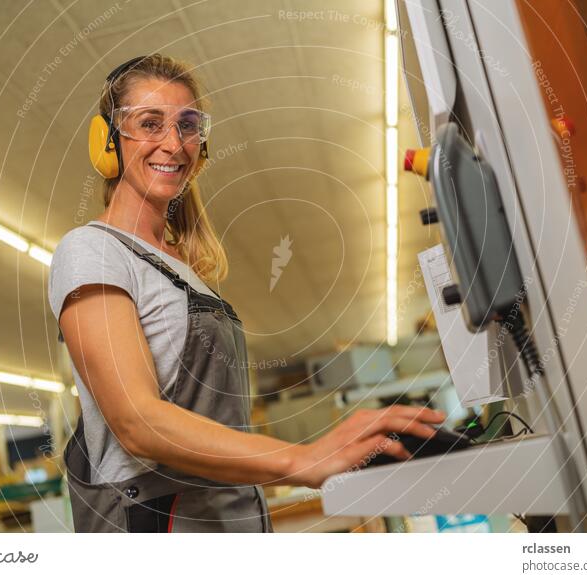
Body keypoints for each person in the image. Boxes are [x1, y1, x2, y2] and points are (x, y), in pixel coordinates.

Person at [49, 54, 445, 533]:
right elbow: (139, 424)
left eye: (188, 126)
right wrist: (305, 458)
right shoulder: (91, 250)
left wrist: (329, 450)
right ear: (107, 140)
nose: (173, 144)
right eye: (150, 124)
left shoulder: (185, 269)